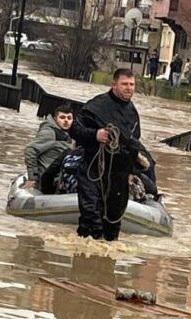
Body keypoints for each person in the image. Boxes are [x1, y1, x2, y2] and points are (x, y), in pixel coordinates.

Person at [69, 68, 144, 241]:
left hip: (119, 174)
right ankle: (83, 260)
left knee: (113, 223)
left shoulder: (132, 112)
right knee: (91, 218)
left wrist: (133, 171)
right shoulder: (96, 106)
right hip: (94, 170)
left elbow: (134, 143)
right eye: (124, 84)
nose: (129, 88)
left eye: (132, 84)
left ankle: (107, 263)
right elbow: (75, 129)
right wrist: (95, 135)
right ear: (114, 84)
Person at [23, 104, 73, 191]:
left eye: (69, 118)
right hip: (46, 179)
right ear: (55, 118)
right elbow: (30, 150)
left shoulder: (68, 135)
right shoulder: (49, 132)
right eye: (62, 117)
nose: (66, 121)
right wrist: (32, 177)